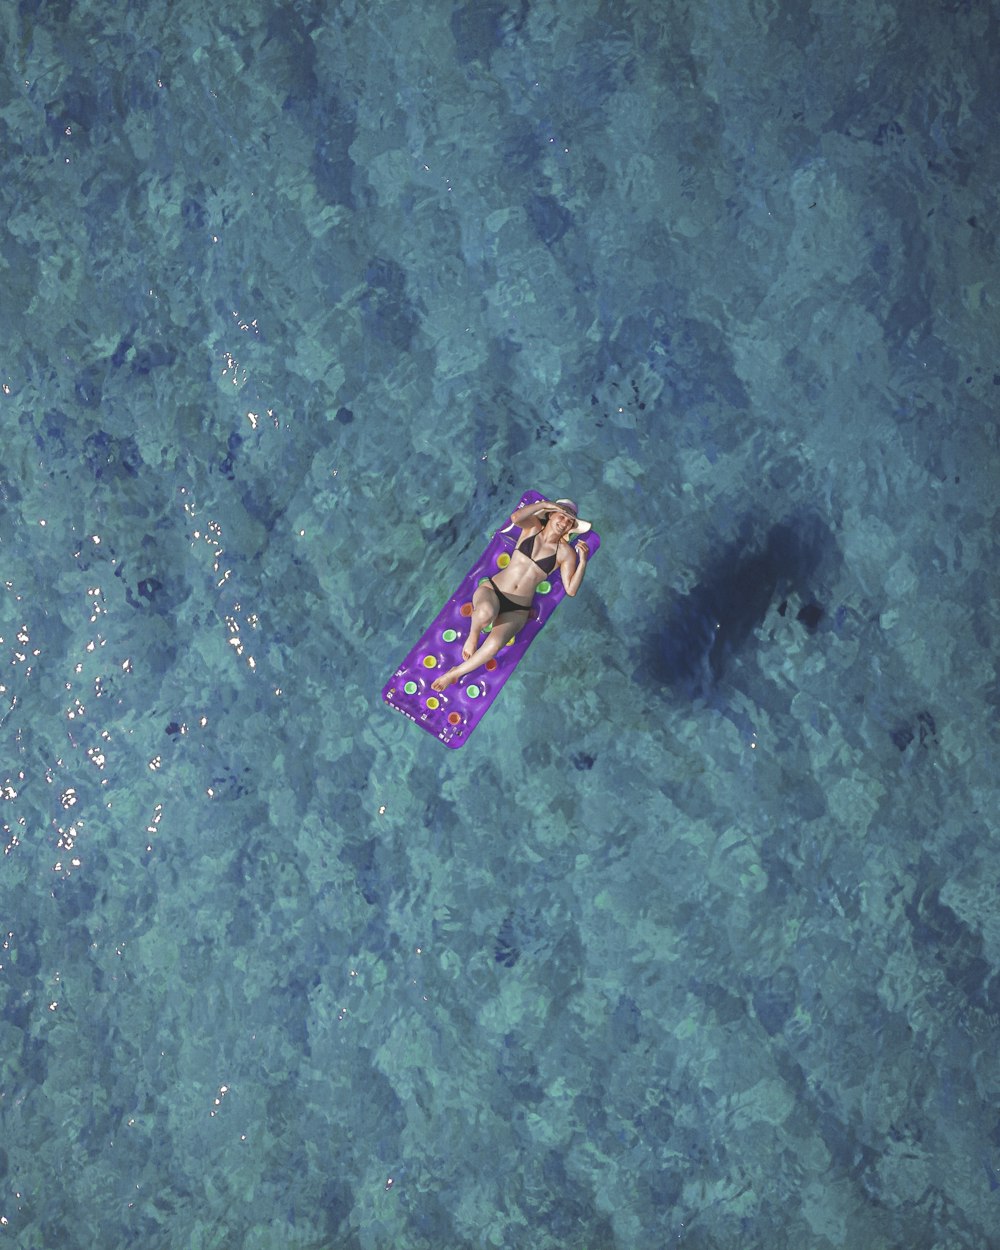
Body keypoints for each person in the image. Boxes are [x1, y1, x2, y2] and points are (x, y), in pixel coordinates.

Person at [430, 498, 591, 692]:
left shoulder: (566, 553)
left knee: (494, 645)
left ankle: (454, 673)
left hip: (518, 609)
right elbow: (515, 517)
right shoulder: (532, 528)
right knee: (485, 613)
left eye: (569, 522)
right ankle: (473, 634)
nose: (564, 522)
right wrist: (543, 505)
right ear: (551, 514)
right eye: (561, 515)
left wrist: (582, 561)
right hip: (494, 591)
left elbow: (571, 590)